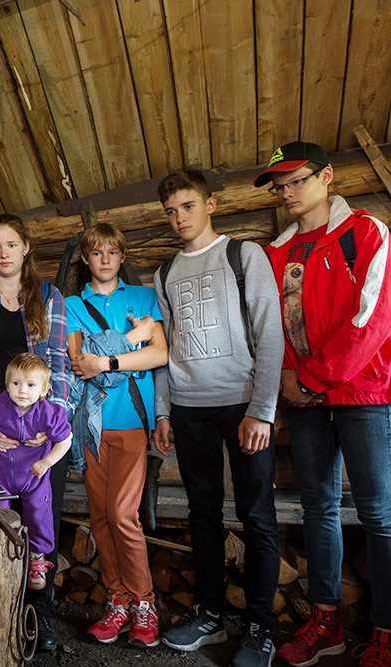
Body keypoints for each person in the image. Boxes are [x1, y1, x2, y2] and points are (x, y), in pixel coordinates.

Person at [254, 141, 391, 667]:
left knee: (379, 512)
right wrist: (290, 376)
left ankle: (384, 629)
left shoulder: (366, 233)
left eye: (297, 180)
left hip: (363, 395)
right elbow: (275, 328)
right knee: (319, 506)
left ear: (327, 175)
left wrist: (312, 377)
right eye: (279, 185)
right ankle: (326, 619)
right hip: (305, 400)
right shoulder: (277, 253)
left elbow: (373, 318)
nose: (288, 192)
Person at [153, 168, 283, 667]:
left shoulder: (243, 255)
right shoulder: (164, 274)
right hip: (189, 409)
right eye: (171, 211)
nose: (179, 218)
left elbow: (270, 334)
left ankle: (259, 627)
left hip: (243, 406)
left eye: (187, 206)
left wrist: (262, 410)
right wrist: (164, 410)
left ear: (210, 205)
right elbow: (165, 351)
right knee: (202, 513)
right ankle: (209, 614)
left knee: (256, 516)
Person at [0, 213, 74, 652]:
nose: (3, 253)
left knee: (41, 520)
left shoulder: (48, 296)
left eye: (11, 245)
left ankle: (40, 617)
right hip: (0, 429)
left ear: (26, 247)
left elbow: (59, 364)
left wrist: (49, 427)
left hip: (42, 431)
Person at [63, 223, 167, 648]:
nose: (104, 259)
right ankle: (117, 600)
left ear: (122, 257)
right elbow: (77, 360)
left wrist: (108, 359)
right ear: (85, 259)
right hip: (92, 424)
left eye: (112, 252)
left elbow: (159, 353)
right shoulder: (71, 303)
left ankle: (144, 602)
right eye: (96, 253)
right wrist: (131, 341)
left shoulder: (143, 297)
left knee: (124, 514)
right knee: (102, 516)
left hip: (132, 423)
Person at [0, 353, 71, 589]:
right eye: (16, 383)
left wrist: (46, 463)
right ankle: (0, 554)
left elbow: (66, 441)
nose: (22, 390)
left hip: (33, 475)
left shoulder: (48, 413)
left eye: (31, 385)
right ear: (7, 384)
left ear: (43, 390)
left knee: (39, 513)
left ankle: (37, 557)